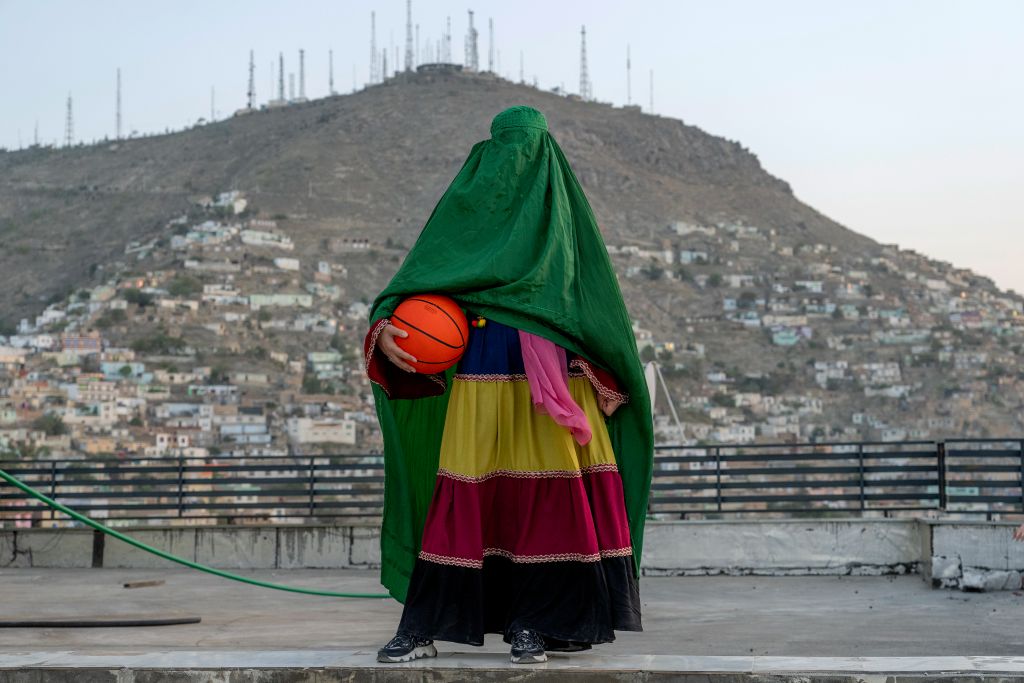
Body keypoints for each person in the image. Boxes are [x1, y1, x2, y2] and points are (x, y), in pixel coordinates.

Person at [362, 106, 653, 664]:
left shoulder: (563, 220)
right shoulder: (465, 212)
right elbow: (416, 282)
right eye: (507, 147)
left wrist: (603, 373)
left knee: (550, 502)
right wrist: (389, 329)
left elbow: (596, 313)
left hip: (558, 386)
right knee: (464, 496)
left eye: (526, 147)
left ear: (545, 155)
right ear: (487, 152)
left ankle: (536, 624)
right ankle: (423, 624)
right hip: (478, 380)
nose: (516, 159)